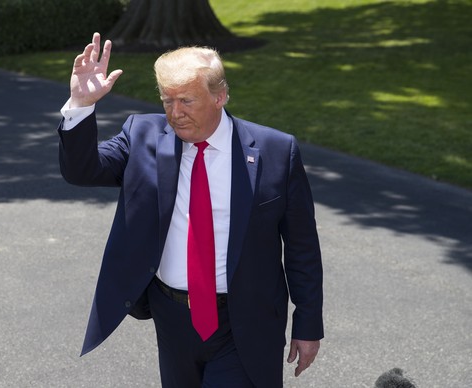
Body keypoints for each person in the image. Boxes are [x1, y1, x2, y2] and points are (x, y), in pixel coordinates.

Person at [57, 32, 324, 388]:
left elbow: (302, 246)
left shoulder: (276, 152)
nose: (175, 113)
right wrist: (81, 104)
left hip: (245, 319)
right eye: (167, 100)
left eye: (186, 100)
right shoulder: (142, 135)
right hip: (172, 318)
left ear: (220, 96)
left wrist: (308, 323)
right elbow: (82, 171)